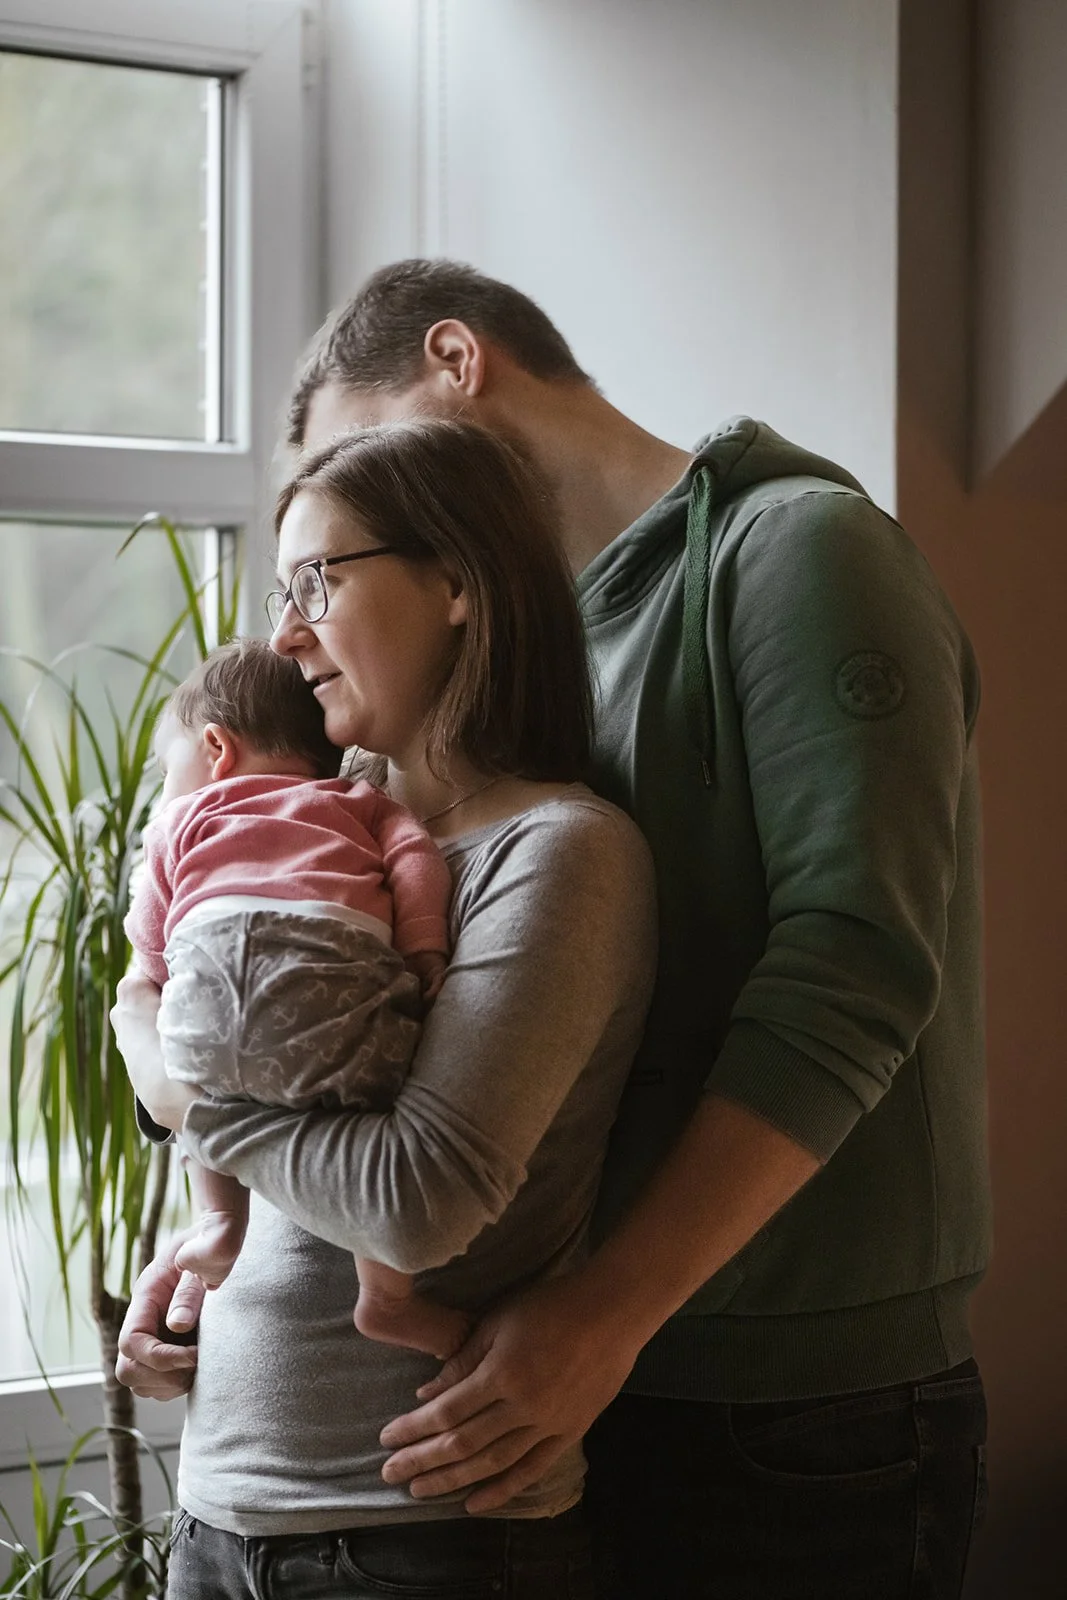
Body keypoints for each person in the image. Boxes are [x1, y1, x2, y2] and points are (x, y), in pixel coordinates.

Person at [273, 259, 985, 1599]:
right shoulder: (519, 658)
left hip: (793, 1404)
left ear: (456, 361)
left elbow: (853, 969)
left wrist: (600, 1317)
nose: (355, 515)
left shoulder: (801, 549)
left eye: (356, 464)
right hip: (573, 1374)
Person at [113, 418, 658, 1599]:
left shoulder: (558, 852)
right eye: (281, 592)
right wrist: (198, 1278)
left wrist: (168, 1074)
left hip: (422, 1535)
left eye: (317, 579)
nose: (283, 632)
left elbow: (413, 1204)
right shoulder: (314, 831)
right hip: (217, 1508)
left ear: (456, 583)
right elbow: (296, 1143)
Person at [123, 636, 473, 1361]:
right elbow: (416, 865)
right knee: (371, 1113)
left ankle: (220, 1223)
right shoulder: (362, 802)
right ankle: (387, 1297)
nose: (166, 789)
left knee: (203, 1091)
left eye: (166, 770)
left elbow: (150, 935)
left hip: (210, 1003)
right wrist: (424, 950)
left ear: (216, 748)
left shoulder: (181, 821)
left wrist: (153, 990)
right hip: (338, 999)